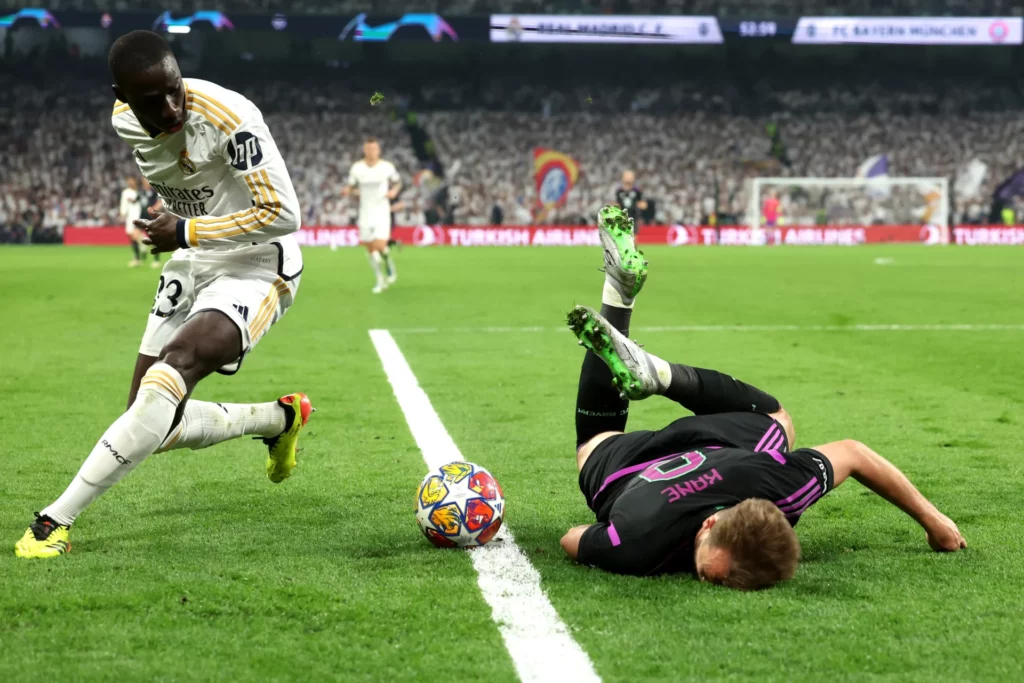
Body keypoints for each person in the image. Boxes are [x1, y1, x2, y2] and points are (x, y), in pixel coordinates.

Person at [15, 30, 314, 559]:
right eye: (153, 100)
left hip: (257, 262)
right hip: (191, 259)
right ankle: (279, 419)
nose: (171, 106)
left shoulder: (230, 116)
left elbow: (283, 214)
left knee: (174, 369)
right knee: (151, 420)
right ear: (122, 97)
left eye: (175, 89)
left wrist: (185, 230)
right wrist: (178, 229)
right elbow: (184, 175)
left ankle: (52, 522)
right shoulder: (123, 121)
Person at [559, 206, 967, 589]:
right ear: (710, 526)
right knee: (594, 442)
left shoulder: (784, 488)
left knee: (778, 420)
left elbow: (854, 453)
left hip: (728, 449)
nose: (708, 580)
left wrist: (935, 522)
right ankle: (621, 303)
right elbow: (571, 539)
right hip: (627, 468)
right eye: (710, 573)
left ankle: (662, 371)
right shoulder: (635, 544)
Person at [343, 137, 402, 293]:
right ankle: (380, 279)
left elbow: (398, 182)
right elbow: (352, 186)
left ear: (378, 150)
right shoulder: (357, 168)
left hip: (382, 211)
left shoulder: (386, 167)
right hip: (365, 212)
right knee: (370, 248)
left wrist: (394, 191)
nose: (371, 151)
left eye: (374, 149)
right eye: (369, 149)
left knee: (379, 245)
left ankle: (387, 262)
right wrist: (348, 190)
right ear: (365, 150)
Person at [119, 176, 144, 267]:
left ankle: (136, 258)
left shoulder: (140, 192)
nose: (130, 183)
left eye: (131, 181)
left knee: (134, 236)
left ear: (135, 181)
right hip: (130, 217)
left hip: (139, 216)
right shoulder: (125, 192)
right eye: (128, 181)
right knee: (130, 235)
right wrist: (122, 214)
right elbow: (123, 203)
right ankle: (142, 247)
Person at [614, 170, 647, 234]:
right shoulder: (619, 191)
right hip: (622, 217)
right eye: (627, 176)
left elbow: (644, 205)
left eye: (630, 177)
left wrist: (640, 205)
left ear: (633, 178)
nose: (628, 178)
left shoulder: (637, 191)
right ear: (623, 178)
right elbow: (617, 204)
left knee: (634, 236)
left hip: (634, 217)